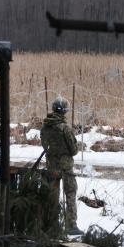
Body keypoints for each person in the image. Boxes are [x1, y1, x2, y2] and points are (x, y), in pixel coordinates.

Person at [40, 96, 81, 236]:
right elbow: (74, 150)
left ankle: (53, 225)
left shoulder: (45, 127)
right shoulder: (65, 129)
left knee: (53, 196)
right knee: (70, 194)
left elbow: (45, 146)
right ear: (64, 111)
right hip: (66, 168)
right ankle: (71, 225)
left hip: (52, 166)